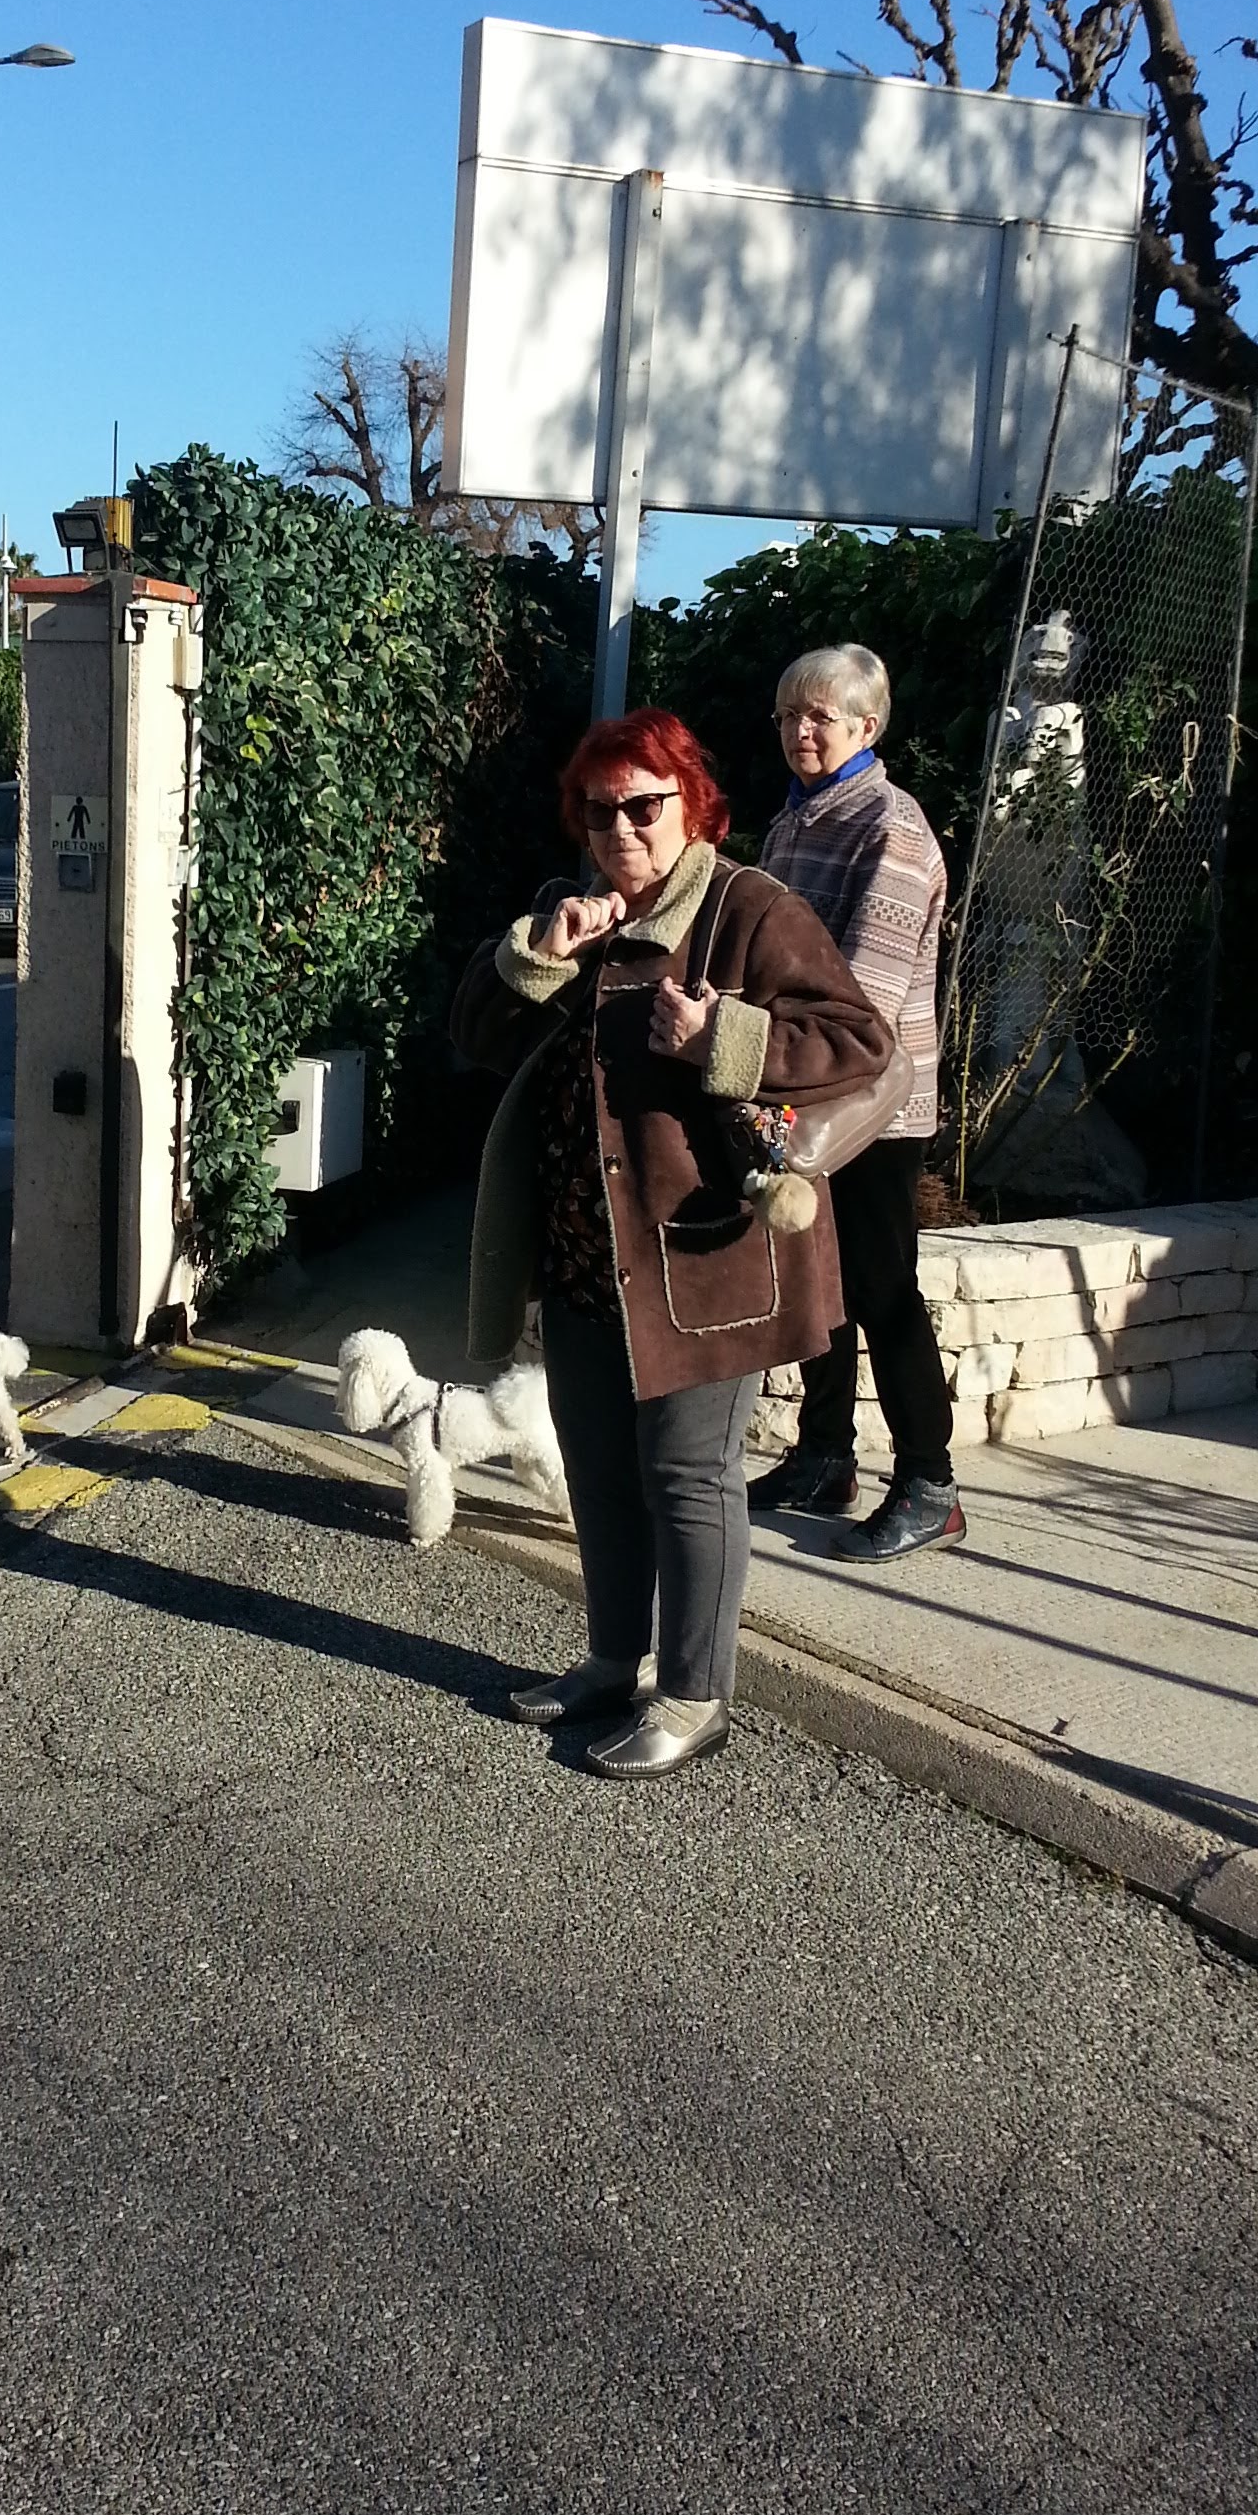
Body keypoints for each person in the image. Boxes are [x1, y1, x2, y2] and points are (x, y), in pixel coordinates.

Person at [450, 708, 896, 1780]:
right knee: (601, 1471)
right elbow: (470, 1036)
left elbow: (860, 1042)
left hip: (704, 1257)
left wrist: (722, 1038)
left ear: (690, 804)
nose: (621, 831)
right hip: (583, 1256)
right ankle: (614, 1662)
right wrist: (535, 957)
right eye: (598, 812)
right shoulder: (575, 913)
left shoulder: (749, 910)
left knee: (690, 1475)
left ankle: (695, 1697)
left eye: (643, 807)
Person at [750, 642, 962, 1560]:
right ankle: (824, 1457)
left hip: (875, 1105)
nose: (800, 730)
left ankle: (931, 1485)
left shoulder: (892, 828)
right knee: (815, 1281)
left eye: (819, 716)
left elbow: (863, 992)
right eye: (789, 714)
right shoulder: (794, 821)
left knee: (882, 1288)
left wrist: (755, 1039)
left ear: (867, 727)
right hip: (800, 1088)